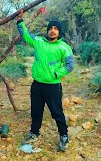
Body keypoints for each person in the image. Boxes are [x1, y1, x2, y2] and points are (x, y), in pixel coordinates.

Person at [16, 10, 74, 151]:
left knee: (56, 112)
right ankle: (34, 132)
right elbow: (25, 35)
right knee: (36, 110)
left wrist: (56, 73)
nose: (53, 31)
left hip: (52, 86)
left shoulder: (64, 47)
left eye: (56, 29)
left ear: (59, 32)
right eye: (51, 28)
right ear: (47, 31)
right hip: (37, 84)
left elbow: (70, 66)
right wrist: (20, 21)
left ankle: (64, 135)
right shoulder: (39, 42)